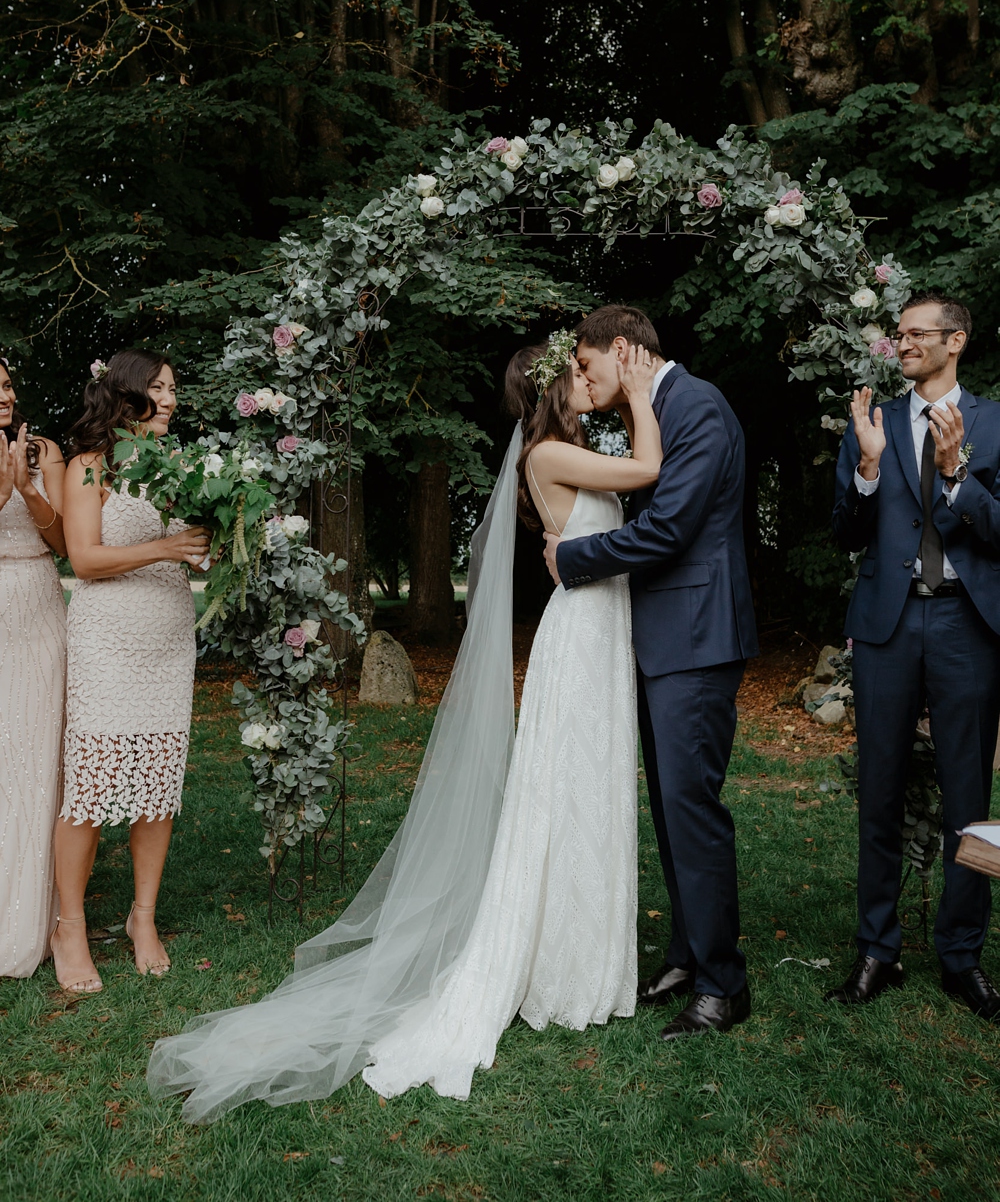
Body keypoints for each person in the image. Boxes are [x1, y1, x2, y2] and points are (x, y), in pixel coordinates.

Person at [147, 333, 661, 1119]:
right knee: (563, 791)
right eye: (582, 372)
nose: (596, 379)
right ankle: (555, 961)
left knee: (588, 792)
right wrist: (644, 391)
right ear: (556, 389)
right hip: (580, 635)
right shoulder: (549, 454)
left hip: (598, 627)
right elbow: (650, 470)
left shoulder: (567, 450)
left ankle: (585, 955)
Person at [544, 305, 758, 1041]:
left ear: (624, 351)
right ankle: (687, 956)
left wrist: (571, 560)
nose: (582, 376)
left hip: (697, 639)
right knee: (671, 809)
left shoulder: (695, 405)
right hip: (662, 638)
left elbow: (669, 529)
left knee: (692, 810)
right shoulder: (657, 409)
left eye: (586, 362)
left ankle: (724, 986)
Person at [827, 293, 1000, 1018]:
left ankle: (961, 955)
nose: (902, 344)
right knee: (881, 789)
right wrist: (866, 470)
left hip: (967, 623)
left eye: (917, 335)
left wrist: (958, 475)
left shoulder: (994, 422)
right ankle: (878, 949)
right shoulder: (871, 423)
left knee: (969, 798)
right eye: (897, 334)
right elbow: (844, 531)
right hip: (887, 626)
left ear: (954, 341)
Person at [52, 352, 210, 994]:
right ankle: (69, 926)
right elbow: (84, 558)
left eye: (173, 388)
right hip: (107, 641)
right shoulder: (89, 464)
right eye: (160, 388)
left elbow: (188, 547)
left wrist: (206, 549)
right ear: (126, 394)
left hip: (168, 641)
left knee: (159, 783)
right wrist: (169, 547)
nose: (171, 399)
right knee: (90, 786)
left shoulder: (178, 470)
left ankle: (142, 917)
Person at [0, 357, 68, 979]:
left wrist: (27, 490)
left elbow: (66, 545)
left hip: (40, 609)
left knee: (37, 751)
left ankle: (35, 909)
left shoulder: (42, 448)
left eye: (7, 385)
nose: (4, 395)